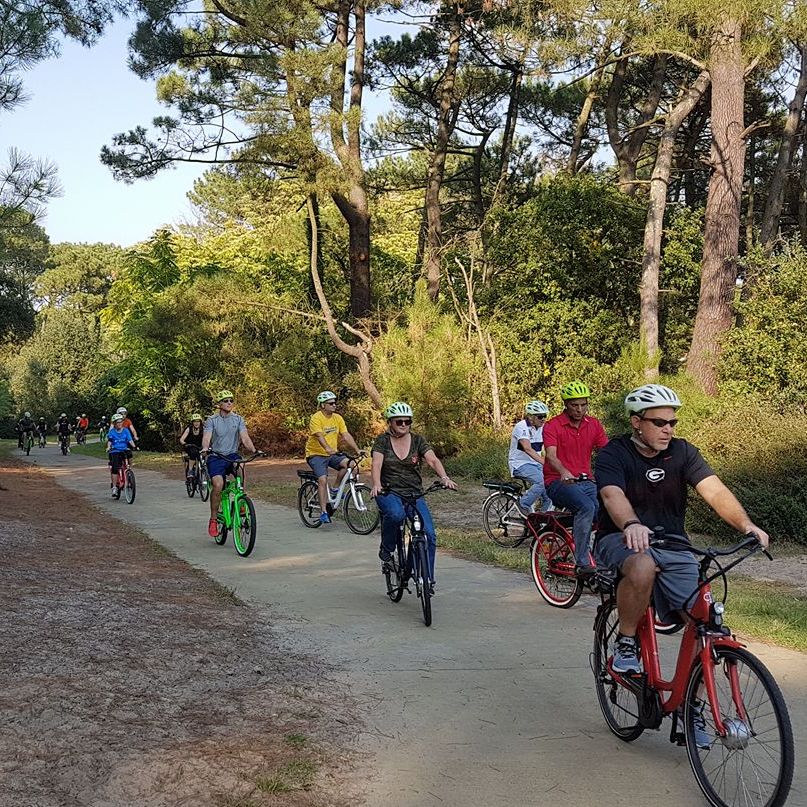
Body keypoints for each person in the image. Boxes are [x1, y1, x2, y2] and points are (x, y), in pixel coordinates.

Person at [594, 384, 769, 675]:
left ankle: (694, 706)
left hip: (674, 545)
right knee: (642, 565)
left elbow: (715, 492)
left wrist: (746, 524)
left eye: (673, 422)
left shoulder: (683, 452)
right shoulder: (615, 453)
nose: (668, 430)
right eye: (659, 422)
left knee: (707, 626)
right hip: (620, 538)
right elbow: (613, 495)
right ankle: (626, 641)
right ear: (636, 422)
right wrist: (632, 524)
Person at [370, 402, 457, 590]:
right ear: (390, 422)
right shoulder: (382, 441)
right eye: (399, 421)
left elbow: (432, 459)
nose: (403, 424)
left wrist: (444, 477)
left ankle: (425, 578)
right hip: (389, 491)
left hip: (414, 493)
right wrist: (376, 484)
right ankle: (386, 550)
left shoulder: (418, 441)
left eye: (407, 421)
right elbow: (376, 463)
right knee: (396, 515)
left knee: (428, 535)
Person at [543, 380, 608, 576]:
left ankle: (599, 557)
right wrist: (563, 471)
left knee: (608, 509)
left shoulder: (593, 424)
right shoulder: (553, 425)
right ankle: (582, 563)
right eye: (574, 405)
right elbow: (551, 456)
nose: (580, 409)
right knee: (586, 507)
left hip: (586, 481)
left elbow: (606, 450)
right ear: (566, 404)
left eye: (583, 404)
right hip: (557, 482)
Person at [201, 390, 257, 538]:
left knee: (241, 467)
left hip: (232, 455)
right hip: (216, 456)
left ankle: (241, 499)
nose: (229, 403)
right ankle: (213, 519)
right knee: (218, 485)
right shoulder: (211, 420)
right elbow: (207, 437)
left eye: (231, 400)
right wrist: (205, 448)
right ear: (219, 404)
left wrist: (254, 450)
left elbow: (245, 438)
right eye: (225, 401)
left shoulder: (238, 419)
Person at [304, 390, 362, 525]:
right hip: (316, 454)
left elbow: (346, 435)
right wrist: (327, 448)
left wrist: (357, 449)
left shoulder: (338, 418)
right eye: (331, 403)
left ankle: (335, 489)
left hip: (332, 454)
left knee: (350, 465)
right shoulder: (316, 418)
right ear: (323, 405)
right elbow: (319, 436)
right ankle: (324, 512)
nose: (334, 405)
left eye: (335, 402)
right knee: (323, 480)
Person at [508, 400, 552, 516]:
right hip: (520, 464)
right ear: (531, 417)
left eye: (545, 416)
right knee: (541, 482)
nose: (543, 419)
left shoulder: (542, 427)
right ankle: (522, 504)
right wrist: (545, 462)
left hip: (535, 464)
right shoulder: (521, 427)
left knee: (552, 490)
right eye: (540, 416)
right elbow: (527, 449)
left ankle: (542, 521)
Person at [107, 413, 136, 496]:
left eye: (120, 422)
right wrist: (109, 447)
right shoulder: (112, 432)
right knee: (115, 467)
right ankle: (115, 487)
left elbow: (130, 440)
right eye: (117, 422)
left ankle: (129, 468)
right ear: (114, 424)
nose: (119, 424)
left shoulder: (126, 431)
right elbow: (109, 441)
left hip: (124, 449)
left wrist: (134, 446)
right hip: (115, 450)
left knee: (129, 454)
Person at [179, 413, 204, 478]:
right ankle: (190, 470)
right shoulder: (189, 429)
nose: (196, 423)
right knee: (193, 452)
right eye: (195, 421)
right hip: (190, 446)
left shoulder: (203, 429)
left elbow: (208, 438)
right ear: (192, 422)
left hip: (200, 447)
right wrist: (185, 444)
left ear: (200, 422)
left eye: (198, 421)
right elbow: (181, 439)